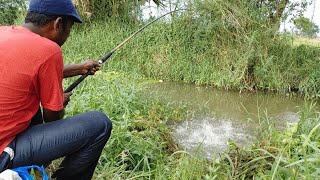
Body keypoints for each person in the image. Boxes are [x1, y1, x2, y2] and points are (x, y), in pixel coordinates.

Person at [0, 0, 113, 179]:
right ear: (58, 23)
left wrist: (79, 68)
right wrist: (60, 101)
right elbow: (51, 117)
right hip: (3, 154)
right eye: (69, 29)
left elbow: (26, 69)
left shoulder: (4, 32)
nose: (67, 36)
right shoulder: (48, 50)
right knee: (100, 124)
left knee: (31, 107)